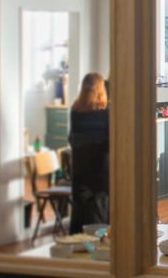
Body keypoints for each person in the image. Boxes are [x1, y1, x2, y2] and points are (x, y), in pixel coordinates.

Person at [68, 72, 109, 234]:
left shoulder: (75, 112)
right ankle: (100, 239)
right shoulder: (106, 112)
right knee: (99, 208)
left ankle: (78, 240)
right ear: (101, 89)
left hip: (80, 168)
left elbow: (73, 139)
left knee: (81, 207)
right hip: (101, 171)